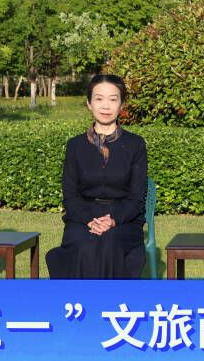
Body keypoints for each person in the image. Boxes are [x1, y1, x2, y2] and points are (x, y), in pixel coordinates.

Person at [45, 74, 148, 278]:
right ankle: (79, 298)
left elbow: (136, 198)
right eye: (99, 99)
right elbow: (70, 196)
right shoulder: (75, 146)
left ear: (121, 104)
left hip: (124, 220)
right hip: (82, 217)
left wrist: (113, 220)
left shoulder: (135, 144)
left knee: (110, 242)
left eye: (113, 99)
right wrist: (90, 220)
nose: (106, 106)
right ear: (89, 103)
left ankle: (112, 298)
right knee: (85, 244)